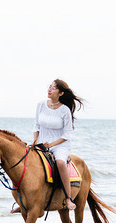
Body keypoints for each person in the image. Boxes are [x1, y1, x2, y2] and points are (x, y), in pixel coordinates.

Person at [33, 79, 84, 210]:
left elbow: (67, 135)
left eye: (53, 88)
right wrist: (35, 141)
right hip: (41, 143)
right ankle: (22, 200)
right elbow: (36, 125)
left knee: (60, 163)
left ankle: (68, 198)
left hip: (60, 145)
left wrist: (51, 145)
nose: (49, 89)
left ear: (61, 93)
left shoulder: (65, 110)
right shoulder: (41, 104)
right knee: (26, 161)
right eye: (49, 86)